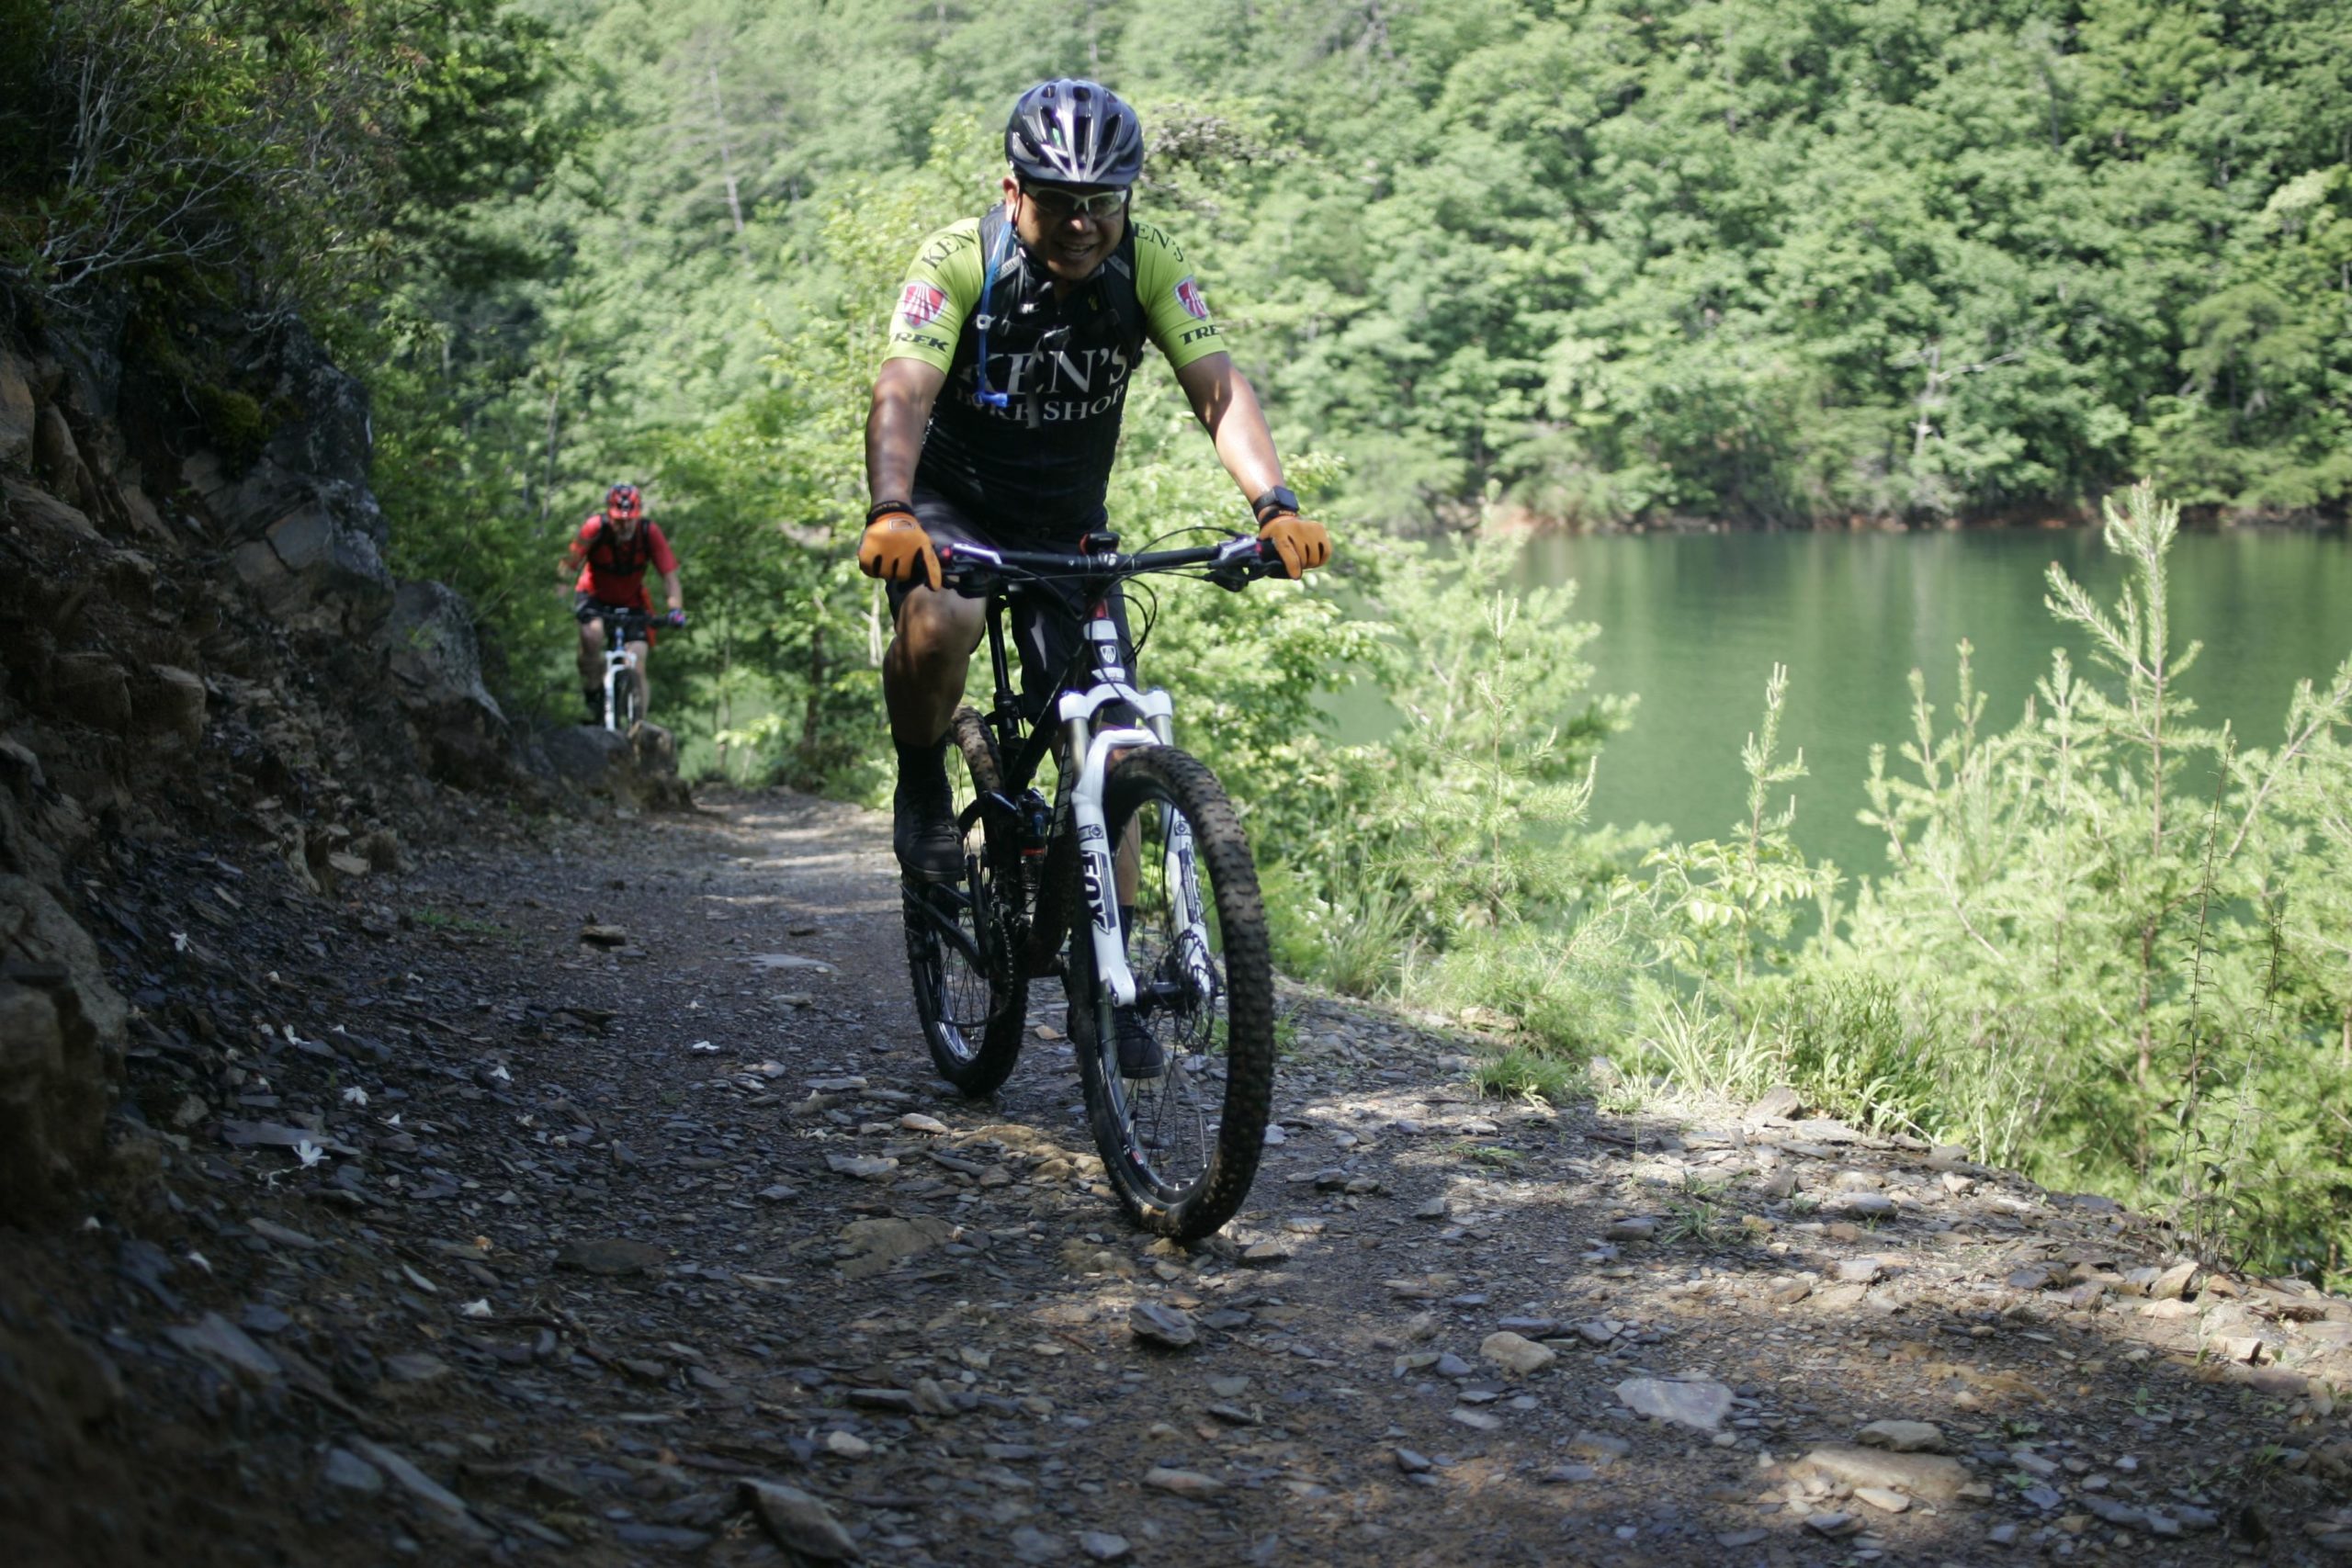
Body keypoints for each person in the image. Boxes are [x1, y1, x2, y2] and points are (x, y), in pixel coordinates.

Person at [858, 76, 1331, 884]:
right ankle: (922, 781)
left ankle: (1106, 989)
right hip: (952, 506)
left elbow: (1217, 387)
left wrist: (1273, 503)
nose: (1083, 223)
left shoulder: (1147, 260)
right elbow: (903, 389)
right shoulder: (959, 258)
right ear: (1014, 191)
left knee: (1117, 739)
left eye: (1103, 200)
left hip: (1067, 521)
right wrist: (892, 507)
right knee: (941, 620)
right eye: (1057, 199)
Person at [561, 482, 686, 725]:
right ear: (609, 515)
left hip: (632, 602)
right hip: (593, 597)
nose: (625, 526)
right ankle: (593, 694)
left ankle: (639, 725)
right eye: (619, 520)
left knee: (637, 660)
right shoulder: (594, 528)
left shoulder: (649, 533)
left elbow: (670, 578)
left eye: (630, 520)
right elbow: (567, 567)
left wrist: (675, 611)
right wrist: (556, 601)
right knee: (591, 637)